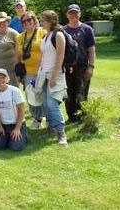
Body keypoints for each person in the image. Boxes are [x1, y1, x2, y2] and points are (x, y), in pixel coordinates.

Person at [38, 10, 68, 145]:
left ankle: (61, 133)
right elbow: (44, 56)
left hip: (55, 74)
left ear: (50, 21)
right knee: (45, 103)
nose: (41, 22)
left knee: (52, 104)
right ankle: (52, 128)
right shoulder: (46, 36)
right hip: (43, 74)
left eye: (43, 20)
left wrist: (55, 76)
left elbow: (60, 56)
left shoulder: (58, 35)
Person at [63, 4, 96, 123]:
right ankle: (71, 117)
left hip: (82, 67)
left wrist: (91, 67)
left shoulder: (87, 29)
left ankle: (82, 118)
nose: (73, 15)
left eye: (75, 13)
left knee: (82, 93)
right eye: (71, 13)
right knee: (69, 93)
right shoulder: (63, 30)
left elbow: (91, 49)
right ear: (67, 15)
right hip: (67, 68)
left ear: (80, 14)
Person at [16, 11, 46, 129]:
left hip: (43, 71)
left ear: (34, 20)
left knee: (44, 95)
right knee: (31, 96)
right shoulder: (20, 37)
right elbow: (17, 56)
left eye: (30, 20)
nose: (27, 22)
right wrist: (19, 73)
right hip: (28, 72)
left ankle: (47, 118)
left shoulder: (43, 32)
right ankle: (36, 119)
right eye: (24, 21)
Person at [0, 69, 28, 151]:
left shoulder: (15, 90)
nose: (1, 80)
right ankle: (8, 138)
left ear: (7, 79)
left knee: (16, 147)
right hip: (4, 125)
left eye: (3, 77)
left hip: (17, 124)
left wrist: (17, 128)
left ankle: (23, 135)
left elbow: (21, 110)